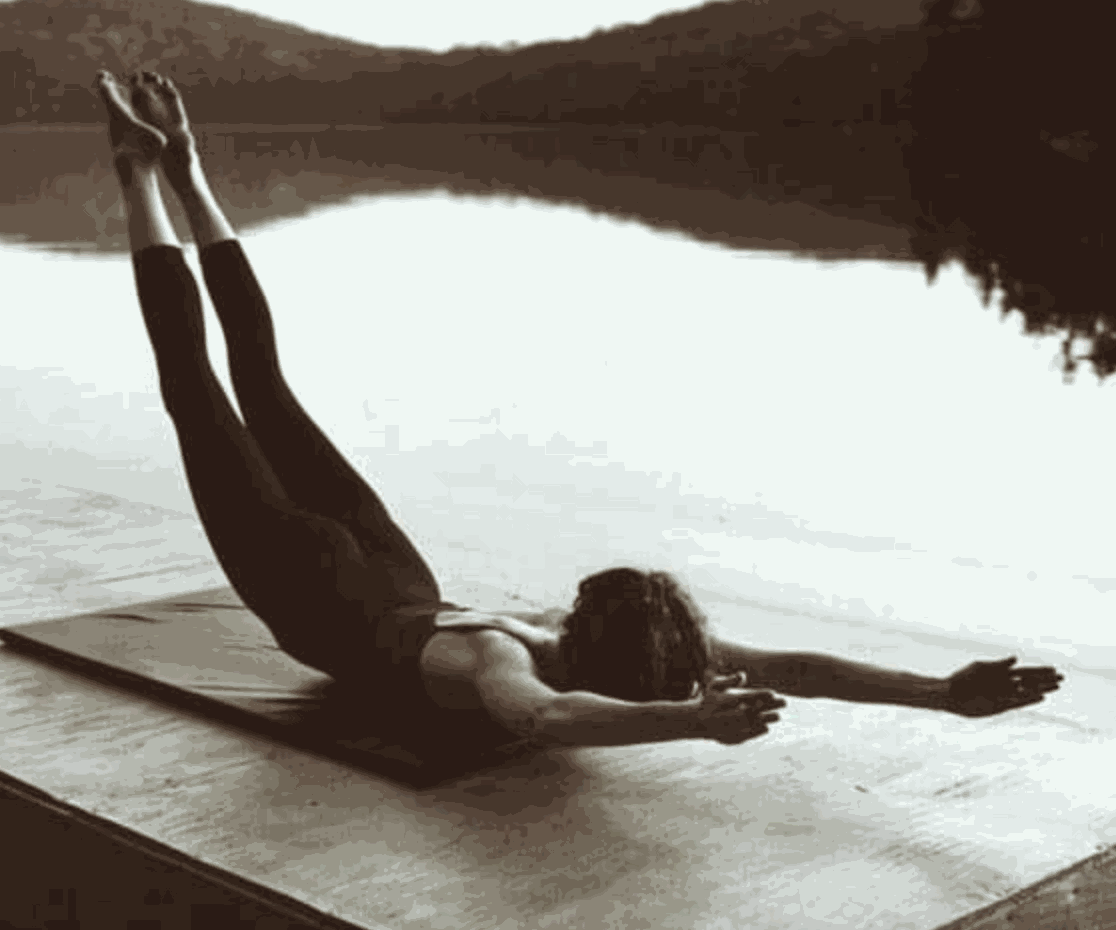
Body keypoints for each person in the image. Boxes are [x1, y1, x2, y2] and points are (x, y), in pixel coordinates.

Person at [97, 69, 1064, 755]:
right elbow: (764, 674)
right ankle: (160, 175)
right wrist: (930, 696)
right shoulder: (542, 658)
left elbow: (577, 716)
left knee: (237, 385)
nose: (557, 611)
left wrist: (930, 697)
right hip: (360, 587)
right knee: (224, 387)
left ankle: (164, 173)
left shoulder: (517, 652)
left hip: (358, 585)